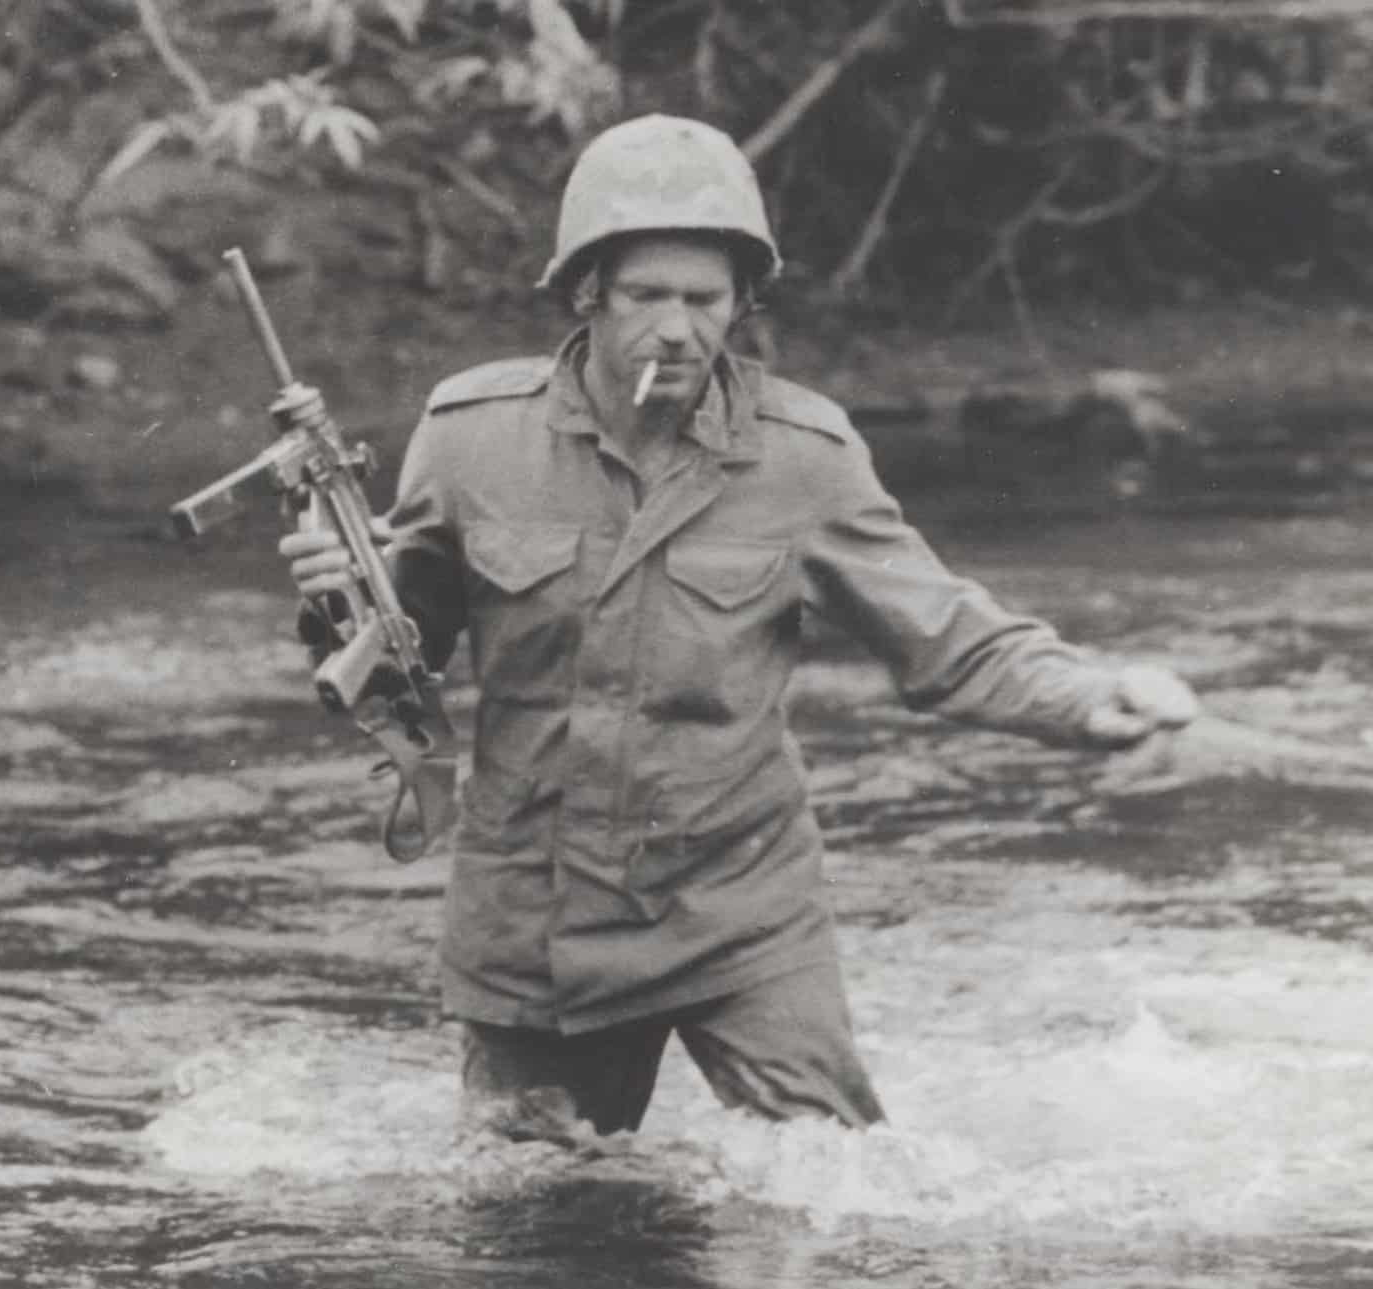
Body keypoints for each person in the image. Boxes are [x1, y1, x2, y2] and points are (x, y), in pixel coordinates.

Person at [281, 114, 1198, 1139]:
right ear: (586, 293)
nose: (676, 329)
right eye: (646, 296)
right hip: (536, 923)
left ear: (741, 303)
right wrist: (335, 603)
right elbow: (398, 666)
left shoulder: (802, 455)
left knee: (832, 1186)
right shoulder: (470, 439)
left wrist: (1089, 696)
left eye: (704, 299)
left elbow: (945, 634)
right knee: (534, 1206)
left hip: (742, 911)